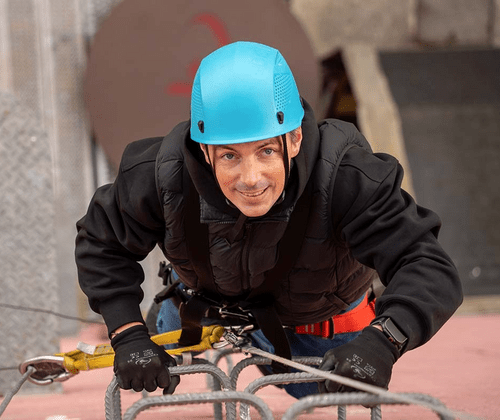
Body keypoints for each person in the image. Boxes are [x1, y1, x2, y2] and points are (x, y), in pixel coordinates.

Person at [75, 41, 463, 397]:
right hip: (205, 298)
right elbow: (102, 242)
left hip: (313, 315)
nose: (251, 178)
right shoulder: (161, 175)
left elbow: (426, 265)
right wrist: (126, 333)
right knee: (165, 328)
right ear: (204, 150)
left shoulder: (348, 178)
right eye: (230, 155)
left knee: (326, 394)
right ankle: (174, 303)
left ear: (294, 139)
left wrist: (384, 340)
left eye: (265, 152)